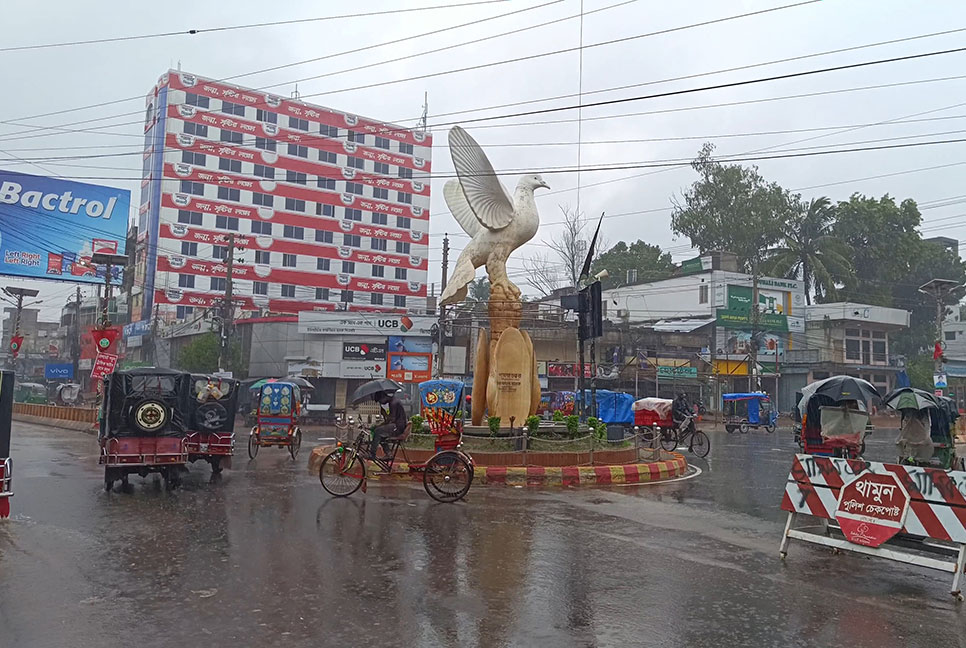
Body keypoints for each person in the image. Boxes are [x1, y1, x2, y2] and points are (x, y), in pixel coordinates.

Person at [370, 390, 408, 459]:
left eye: (380, 401)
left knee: (377, 431)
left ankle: (372, 454)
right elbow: (390, 419)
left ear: (383, 397)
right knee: (381, 434)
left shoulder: (393, 403)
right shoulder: (393, 401)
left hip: (398, 427)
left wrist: (384, 414)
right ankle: (389, 454)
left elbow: (391, 420)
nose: (381, 403)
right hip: (398, 425)